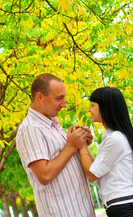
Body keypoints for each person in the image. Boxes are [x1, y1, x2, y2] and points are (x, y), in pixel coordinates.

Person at [16, 73, 96, 216]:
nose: (64, 104)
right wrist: (71, 146)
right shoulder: (31, 129)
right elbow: (44, 175)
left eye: (64, 98)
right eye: (59, 98)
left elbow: (67, 158)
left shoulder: (53, 125)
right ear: (39, 97)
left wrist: (81, 143)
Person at [78, 87, 133, 217]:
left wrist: (79, 145)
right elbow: (97, 169)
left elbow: (91, 175)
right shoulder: (112, 136)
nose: (89, 110)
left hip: (125, 208)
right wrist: (84, 145)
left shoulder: (116, 139)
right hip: (124, 207)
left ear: (105, 108)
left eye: (92, 105)